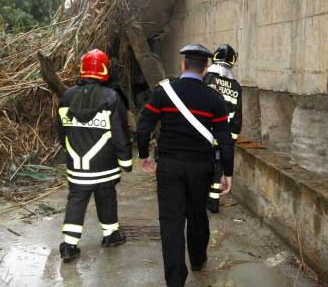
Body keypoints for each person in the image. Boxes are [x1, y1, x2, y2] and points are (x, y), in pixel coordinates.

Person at [137, 44, 234, 287]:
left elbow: (143, 125)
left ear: (183, 65)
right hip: (202, 168)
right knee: (197, 214)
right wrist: (228, 172)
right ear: (206, 69)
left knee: (171, 222)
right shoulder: (214, 99)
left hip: (170, 167)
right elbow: (224, 137)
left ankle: (176, 279)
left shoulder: (163, 92)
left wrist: (143, 155)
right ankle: (199, 259)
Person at [57, 49, 133, 262]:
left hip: (77, 166)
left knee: (76, 201)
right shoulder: (111, 97)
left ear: (83, 69)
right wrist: (126, 161)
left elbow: (62, 131)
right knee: (106, 198)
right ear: (104, 69)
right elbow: (120, 133)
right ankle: (111, 236)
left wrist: (71, 152)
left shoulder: (67, 96)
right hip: (104, 165)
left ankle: (69, 246)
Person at [203, 44, 242, 140]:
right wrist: (232, 139)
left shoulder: (206, 78)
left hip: (204, 136)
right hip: (223, 138)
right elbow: (237, 117)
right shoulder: (236, 86)